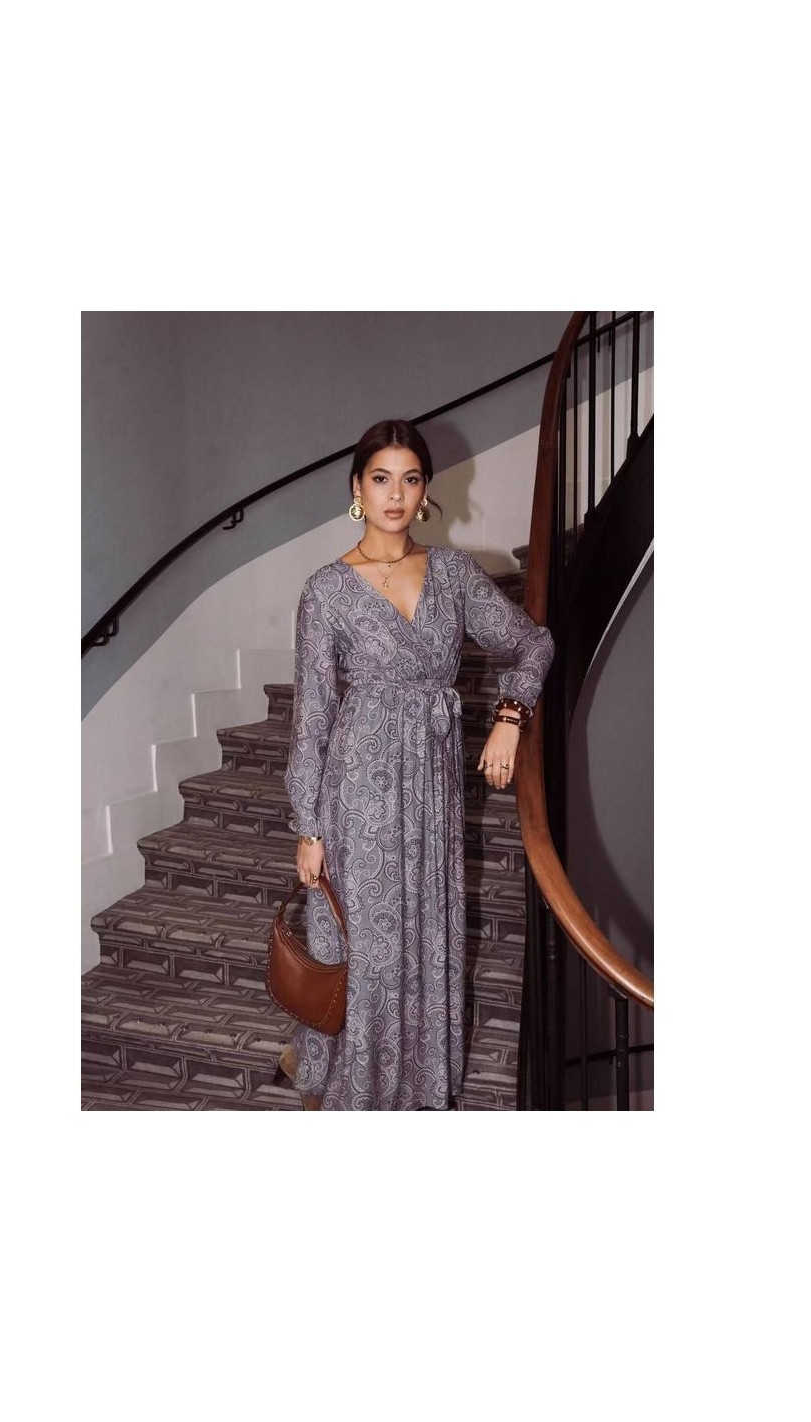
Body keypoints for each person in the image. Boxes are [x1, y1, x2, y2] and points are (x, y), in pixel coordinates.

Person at [276, 418, 555, 1110]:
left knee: (424, 930)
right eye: (381, 479)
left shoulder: (454, 575)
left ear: (426, 490)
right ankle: (350, 1080)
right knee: (365, 941)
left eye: (410, 479)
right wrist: (308, 826)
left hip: (431, 790)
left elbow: (533, 644)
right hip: (357, 791)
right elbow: (312, 716)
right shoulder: (326, 591)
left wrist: (510, 717)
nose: (395, 494)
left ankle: (415, 1078)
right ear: (357, 489)